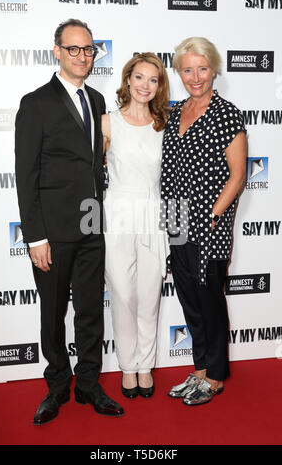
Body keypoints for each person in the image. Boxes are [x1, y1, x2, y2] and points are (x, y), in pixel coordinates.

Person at [15, 19, 124, 425]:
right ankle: (58, 384)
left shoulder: (97, 100)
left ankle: (89, 385)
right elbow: (26, 175)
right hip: (52, 233)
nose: (83, 56)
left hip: (91, 226)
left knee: (91, 311)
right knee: (53, 312)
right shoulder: (36, 102)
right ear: (57, 51)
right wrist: (35, 236)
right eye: (74, 49)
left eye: (89, 49)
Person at [161, 37, 247, 405]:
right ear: (179, 72)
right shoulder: (174, 111)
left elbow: (238, 175)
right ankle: (198, 370)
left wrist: (213, 216)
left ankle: (214, 375)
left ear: (214, 70)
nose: (195, 77)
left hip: (209, 224)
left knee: (209, 298)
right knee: (189, 298)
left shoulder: (227, 113)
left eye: (202, 68)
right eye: (187, 69)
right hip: (176, 219)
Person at [102, 53, 170, 399]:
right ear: (128, 79)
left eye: (153, 80)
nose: (145, 85)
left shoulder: (165, 123)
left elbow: (174, 179)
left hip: (154, 213)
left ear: (159, 86)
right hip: (117, 213)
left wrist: (178, 227)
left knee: (149, 296)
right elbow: (85, 171)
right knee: (123, 293)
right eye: (139, 77)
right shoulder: (107, 122)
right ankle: (127, 367)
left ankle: (145, 365)